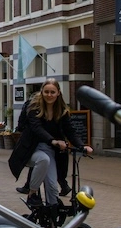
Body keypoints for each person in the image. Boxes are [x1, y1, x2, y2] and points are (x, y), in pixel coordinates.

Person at [8, 78, 93, 213]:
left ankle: (52, 220)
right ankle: (32, 193)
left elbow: (70, 131)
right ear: (42, 92)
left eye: (52, 92)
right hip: (31, 149)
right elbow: (37, 129)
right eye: (46, 92)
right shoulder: (33, 107)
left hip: (51, 152)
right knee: (43, 160)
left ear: (58, 93)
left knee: (53, 187)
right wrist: (53, 141)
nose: (49, 95)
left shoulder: (62, 111)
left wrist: (83, 146)